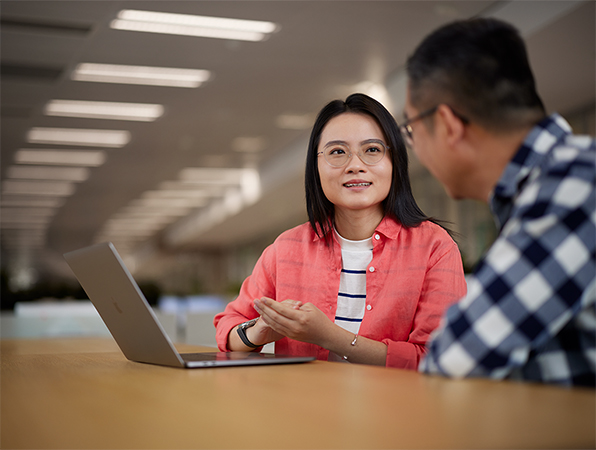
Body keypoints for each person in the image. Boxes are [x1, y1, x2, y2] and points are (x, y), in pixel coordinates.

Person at [403, 18, 595, 386]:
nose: (416, 151)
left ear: (448, 125)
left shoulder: (575, 186)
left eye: (411, 131)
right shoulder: (547, 185)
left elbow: (455, 361)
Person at [214, 93, 466, 368]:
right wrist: (257, 332)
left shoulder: (434, 247)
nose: (355, 166)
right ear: (316, 165)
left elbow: (436, 358)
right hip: (302, 407)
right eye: (337, 152)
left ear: (395, 160)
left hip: (396, 409)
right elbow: (227, 327)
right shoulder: (286, 249)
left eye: (372, 150)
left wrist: (329, 336)